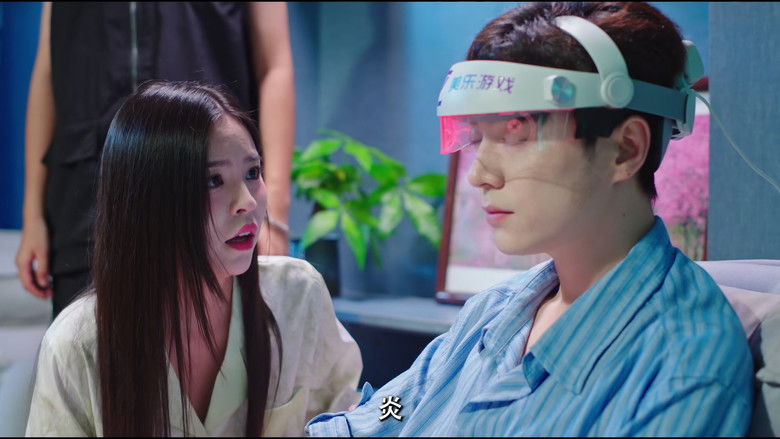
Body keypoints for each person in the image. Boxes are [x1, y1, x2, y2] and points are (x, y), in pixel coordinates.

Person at [306, 2, 753, 436]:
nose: (479, 175)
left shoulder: (680, 367)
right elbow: (395, 410)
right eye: (478, 138)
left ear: (624, 149)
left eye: (517, 136)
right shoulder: (496, 309)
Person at [25, 81, 362, 436]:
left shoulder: (297, 295)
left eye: (252, 172)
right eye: (213, 181)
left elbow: (346, 414)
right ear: (149, 203)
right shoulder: (77, 344)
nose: (247, 202)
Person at [15, 2, 295, 320]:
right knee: (85, 340)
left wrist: (274, 217)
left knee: (218, 343)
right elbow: (49, 68)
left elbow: (275, 66)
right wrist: (33, 215)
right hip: (87, 196)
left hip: (209, 194)